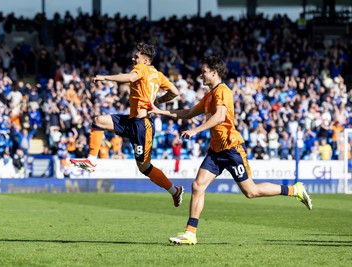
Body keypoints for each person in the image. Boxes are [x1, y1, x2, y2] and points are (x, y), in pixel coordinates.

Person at [149, 56, 313, 245]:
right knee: (197, 186)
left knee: (251, 191)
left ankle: (295, 190)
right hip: (216, 150)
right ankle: (190, 233)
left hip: (231, 148)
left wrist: (196, 130)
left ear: (214, 72)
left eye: (203, 71)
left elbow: (219, 117)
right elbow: (188, 113)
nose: (200, 74)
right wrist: (159, 111)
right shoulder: (209, 94)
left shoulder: (223, 91)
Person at [70, 42, 184, 207]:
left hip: (142, 126)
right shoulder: (158, 75)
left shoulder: (141, 69)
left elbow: (130, 78)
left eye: (136, 56)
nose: (133, 58)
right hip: (131, 120)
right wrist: (157, 101)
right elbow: (175, 92)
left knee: (144, 167)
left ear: (145, 60)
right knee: (98, 120)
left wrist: (104, 77)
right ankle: (91, 161)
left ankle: (175, 191)